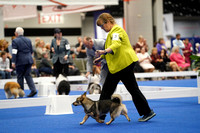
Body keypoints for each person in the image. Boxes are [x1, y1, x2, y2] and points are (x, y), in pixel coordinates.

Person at [94, 13, 155, 122]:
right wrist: (102, 57)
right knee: (131, 89)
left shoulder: (117, 31)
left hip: (122, 66)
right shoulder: (112, 32)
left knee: (107, 91)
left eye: (102, 26)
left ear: (107, 22)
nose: (102, 29)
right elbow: (113, 49)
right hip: (121, 65)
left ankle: (100, 115)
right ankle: (147, 112)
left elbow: (116, 45)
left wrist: (104, 51)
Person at [12, 27, 37, 97]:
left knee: (20, 76)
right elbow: (31, 51)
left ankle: (21, 92)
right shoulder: (28, 40)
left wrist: (13, 62)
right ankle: (33, 90)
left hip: (20, 61)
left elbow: (14, 52)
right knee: (28, 75)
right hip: (29, 60)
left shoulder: (15, 41)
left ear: (16, 33)